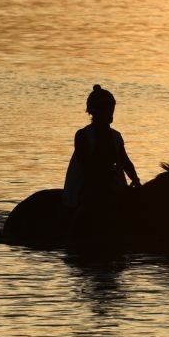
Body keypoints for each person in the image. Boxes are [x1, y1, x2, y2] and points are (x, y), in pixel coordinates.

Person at [63, 85, 141, 233]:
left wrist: (136, 181)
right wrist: (106, 181)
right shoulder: (82, 135)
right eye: (107, 109)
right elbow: (87, 167)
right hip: (86, 186)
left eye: (111, 109)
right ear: (95, 112)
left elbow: (125, 161)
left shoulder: (116, 136)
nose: (110, 113)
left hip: (112, 183)